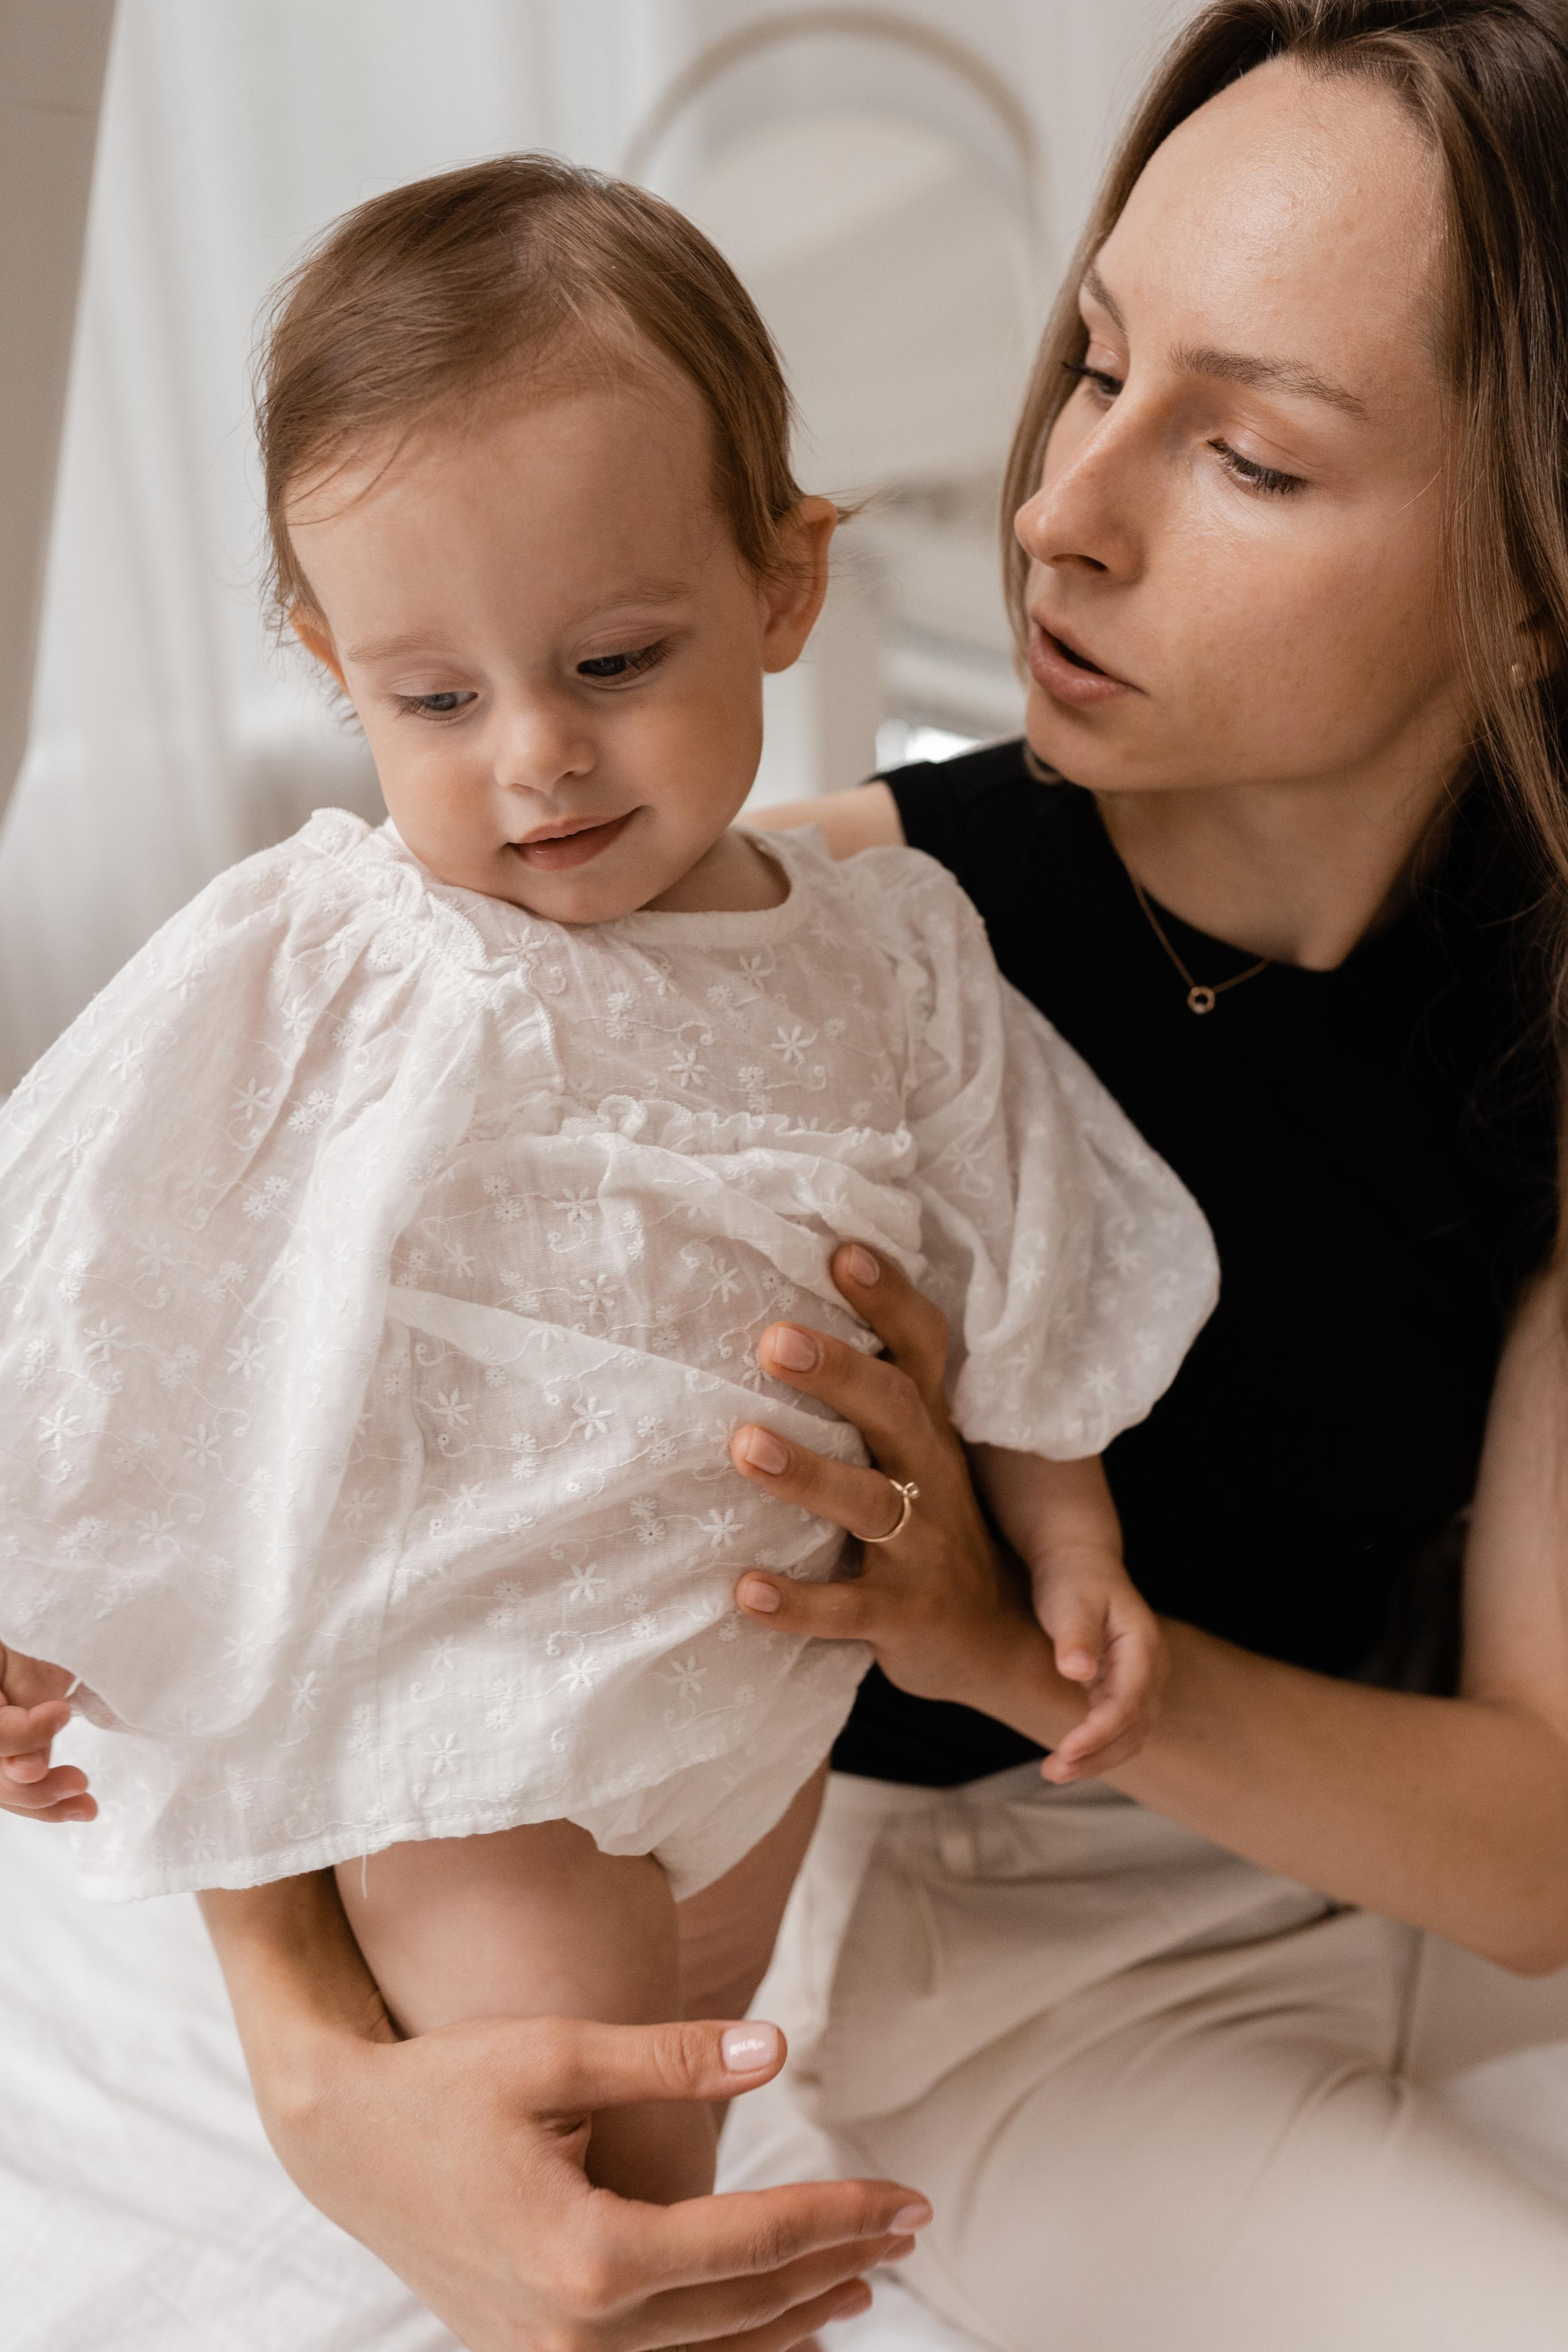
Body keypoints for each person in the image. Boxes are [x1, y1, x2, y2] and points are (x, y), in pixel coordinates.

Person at [9, 1, 1568, 2346]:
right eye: (1097, 364)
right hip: (929, 1915)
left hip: (1340, 1869)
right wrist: (324, 2075)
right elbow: (307, 1394)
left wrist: (993, 1625)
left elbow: (1535, 1845)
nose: (1058, 504)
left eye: (1244, 454)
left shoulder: (1519, 1030)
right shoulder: (761, 944)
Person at [0, 154, 1215, 2220]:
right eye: (437, 701)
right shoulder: (352, 950)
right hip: (465, 1708)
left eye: (617, 663)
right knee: (581, 2149)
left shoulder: (892, 945)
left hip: (753, 1699)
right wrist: (34, 1589)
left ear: (783, 585)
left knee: (689, 2113)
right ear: (330, 659)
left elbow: (1026, 1242)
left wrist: (1068, 1538)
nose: (537, 760)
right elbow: (116, 1258)